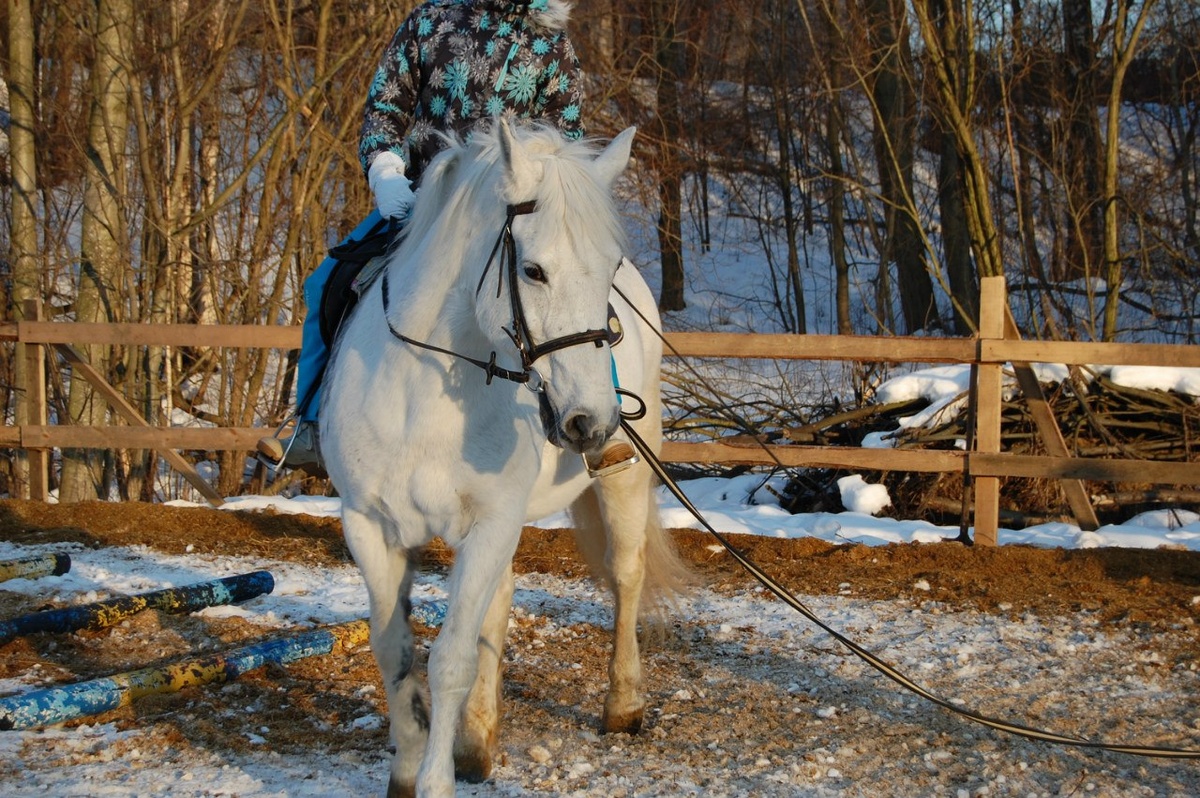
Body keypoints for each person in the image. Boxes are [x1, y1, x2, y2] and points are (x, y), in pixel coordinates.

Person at [258, 0, 637, 478]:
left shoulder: (551, 41)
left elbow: (568, 137)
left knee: (577, 283)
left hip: (518, 207)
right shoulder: (430, 21)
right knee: (324, 283)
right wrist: (386, 171)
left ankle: (606, 415)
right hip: (427, 201)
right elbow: (386, 106)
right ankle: (311, 424)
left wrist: (553, 189)